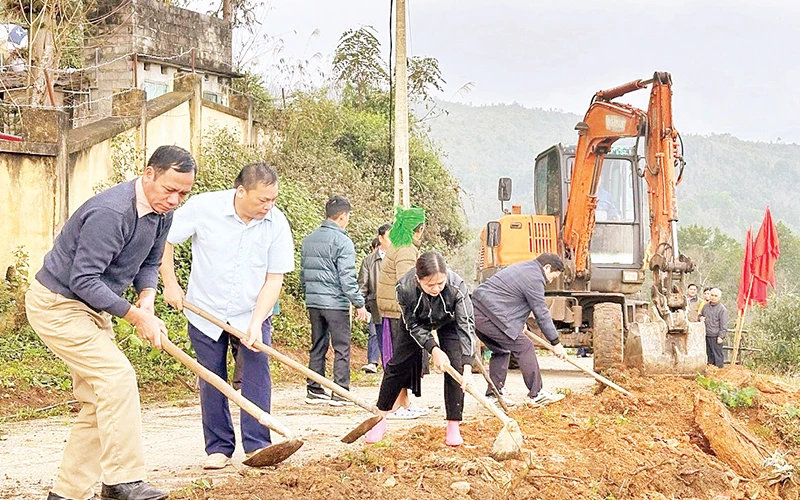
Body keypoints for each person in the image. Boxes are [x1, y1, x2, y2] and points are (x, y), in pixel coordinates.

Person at [25, 145, 196, 500]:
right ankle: (122, 482)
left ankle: (66, 494)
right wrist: (134, 317)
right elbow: (83, 279)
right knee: (116, 377)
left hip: (93, 308)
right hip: (58, 304)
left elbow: (149, 263)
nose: (176, 199)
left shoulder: (163, 212)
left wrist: (146, 299)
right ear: (148, 174)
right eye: (170, 190)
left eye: (184, 193)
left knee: (98, 401)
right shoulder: (111, 212)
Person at [160, 163, 294, 470]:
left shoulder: (276, 222)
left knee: (257, 374)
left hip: (251, 311)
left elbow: (274, 278)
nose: (268, 206)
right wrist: (170, 283)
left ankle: (258, 446)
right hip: (205, 309)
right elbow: (164, 239)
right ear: (241, 191)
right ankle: (219, 447)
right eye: (263, 200)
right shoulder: (203, 208)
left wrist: (257, 323)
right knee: (212, 378)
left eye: (273, 199)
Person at [365, 251, 477, 446]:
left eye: (440, 284)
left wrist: (468, 367)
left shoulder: (457, 286)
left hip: (449, 322)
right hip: (416, 323)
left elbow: (466, 325)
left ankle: (453, 424)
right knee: (397, 366)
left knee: (456, 367)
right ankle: (380, 418)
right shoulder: (405, 287)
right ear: (418, 279)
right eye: (430, 285)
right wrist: (434, 349)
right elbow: (414, 326)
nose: (436, 289)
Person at [471, 253, 568, 406]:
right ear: (547, 267)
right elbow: (541, 312)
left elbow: (510, 296)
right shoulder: (535, 278)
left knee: (501, 349)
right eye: (553, 277)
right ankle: (537, 394)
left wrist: (518, 322)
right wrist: (556, 343)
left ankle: (493, 395)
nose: (550, 281)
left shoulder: (523, 267)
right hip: (489, 315)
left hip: (476, 312)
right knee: (525, 346)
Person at [301, 195, 368, 405]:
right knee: (341, 347)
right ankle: (340, 391)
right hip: (335, 304)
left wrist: (310, 295)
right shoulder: (343, 242)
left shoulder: (309, 239)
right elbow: (347, 277)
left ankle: (314, 388)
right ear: (344, 216)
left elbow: (303, 275)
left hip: (313, 302)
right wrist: (359, 303)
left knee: (318, 344)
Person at [376, 206, 428, 419]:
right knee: (400, 359)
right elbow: (406, 282)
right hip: (400, 311)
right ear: (419, 229)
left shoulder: (399, 245)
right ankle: (395, 405)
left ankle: (404, 403)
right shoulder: (406, 249)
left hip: (393, 309)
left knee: (403, 359)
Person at [358, 223, 392, 373]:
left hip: (398, 310)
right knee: (382, 341)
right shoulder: (369, 261)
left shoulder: (400, 258)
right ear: (381, 238)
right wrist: (361, 306)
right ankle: (387, 374)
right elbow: (362, 286)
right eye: (390, 237)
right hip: (378, 309)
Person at [700, 288, 728, 368]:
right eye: (712, 295)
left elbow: (723, 324)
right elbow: (700, 316)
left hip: (716, 336)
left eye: (716, 296)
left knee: (717, 356)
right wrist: (700, 318)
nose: (713, 297)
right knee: (709, 355)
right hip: (706, 334)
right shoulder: (705, 307)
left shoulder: (722, 309)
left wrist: (721, 336)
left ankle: (719, 372)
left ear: (719, 297)